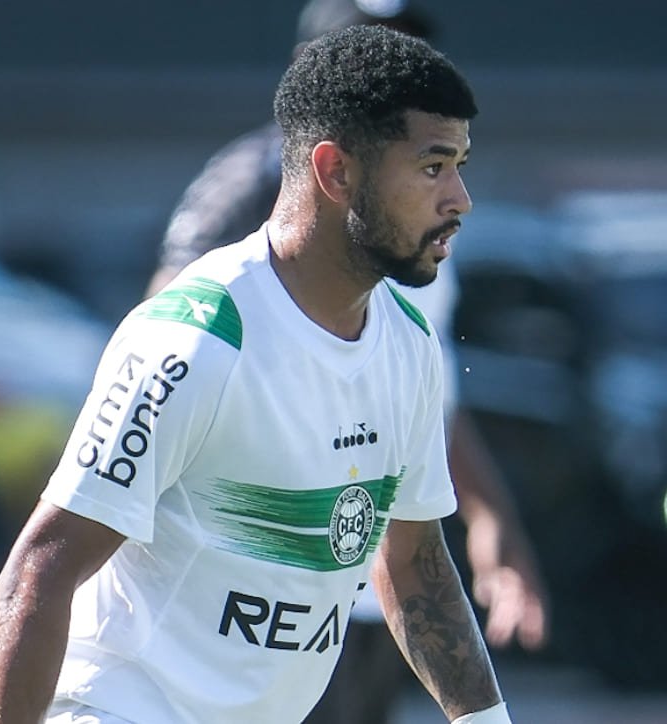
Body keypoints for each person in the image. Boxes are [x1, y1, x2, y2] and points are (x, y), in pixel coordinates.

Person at [0, 26, 513, 724]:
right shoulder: (197, 340)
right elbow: (39, 573)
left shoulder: (409, 344)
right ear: (336, 171)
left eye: (460, 165)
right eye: (433, 166)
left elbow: (413, 566)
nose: (460, 199)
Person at [147, 2, 548, 722]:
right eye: (375, 48)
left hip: (359, 582)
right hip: (253, 589)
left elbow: (408, 388)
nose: (401, 73)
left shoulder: (417, 222)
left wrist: (489, 511)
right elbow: (170, 339)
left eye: (414, 49)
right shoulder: (258, 181)